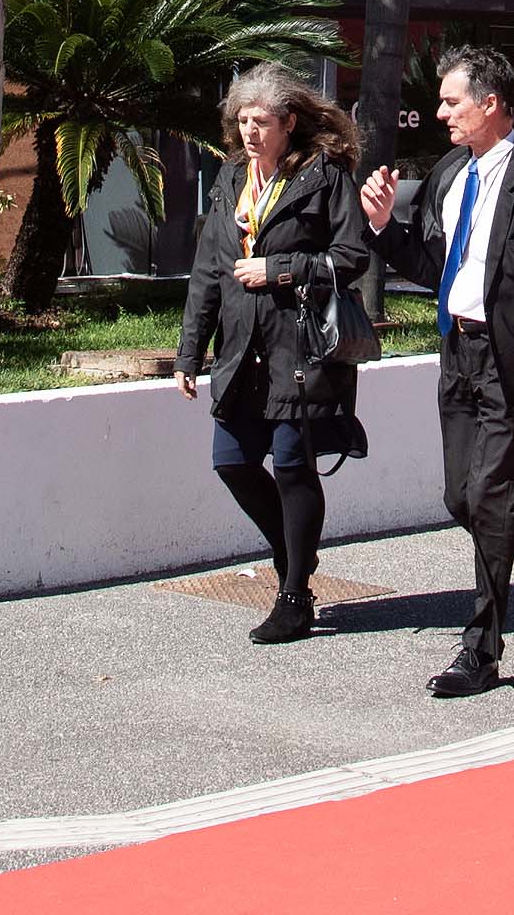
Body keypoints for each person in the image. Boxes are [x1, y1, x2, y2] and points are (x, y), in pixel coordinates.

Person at [361, 47, 514, 699]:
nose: (440, 113)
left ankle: (482, 650)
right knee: (461, 500)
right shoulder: (445, 175)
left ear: (490, 104)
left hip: (511, 365)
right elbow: (438, 266)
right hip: (455, 355)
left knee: (489, 500)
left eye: (451, 101)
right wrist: (382, 226)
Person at [171, 64, 374, 643]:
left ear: (288, 122)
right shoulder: (232, 177)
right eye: (242, 121)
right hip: (242, 349)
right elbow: (209, 270)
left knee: (291, 466)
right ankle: (294, 556)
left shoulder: (323, 175)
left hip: (301, 347)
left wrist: (279, 270)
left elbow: (350, 256)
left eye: (261, 121)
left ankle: (294, 595)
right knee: (232, 461)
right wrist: (190, 353)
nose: (250, 132)